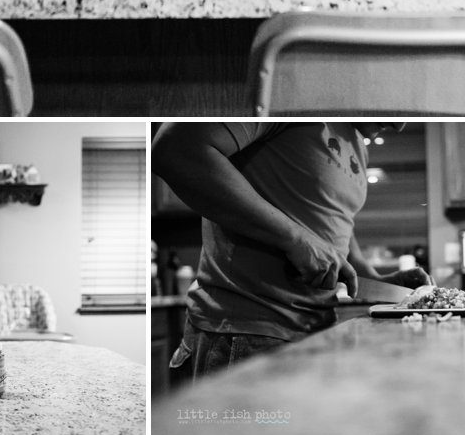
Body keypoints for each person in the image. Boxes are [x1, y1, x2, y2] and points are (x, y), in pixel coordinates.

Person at [151, 122, 432, 379]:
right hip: (246, 334)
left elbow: (333, 223)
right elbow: (174, 149)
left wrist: (377, 279)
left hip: (314, 330)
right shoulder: (291, 100)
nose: (399, 124)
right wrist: (297, 240)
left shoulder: (358, 144)